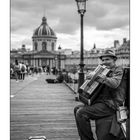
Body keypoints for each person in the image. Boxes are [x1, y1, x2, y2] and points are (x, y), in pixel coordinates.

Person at [74, 49, 126, 140]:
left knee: (81, 113)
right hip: (101, 102)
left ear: (114, 60)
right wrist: (90, 79)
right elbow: (93, 87)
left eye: (107, 59)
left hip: (111, 104)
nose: (104, 62)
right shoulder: (103, 70)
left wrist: (98, 76)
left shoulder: (119, 70)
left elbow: (114, 84)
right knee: (76, 109)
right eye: (103, 60)